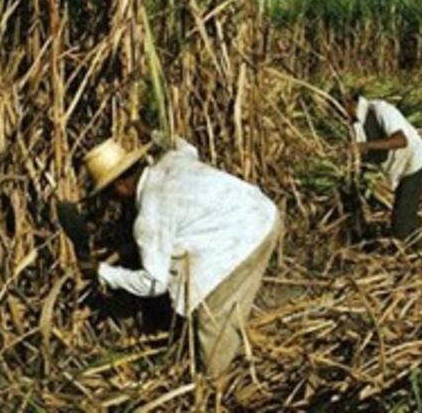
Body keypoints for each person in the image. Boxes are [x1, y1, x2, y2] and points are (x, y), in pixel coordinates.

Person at [70, 135, 280, 376]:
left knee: (213, 323)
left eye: (109, 194)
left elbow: (154, 283)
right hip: (264, 213)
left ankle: (219, 385)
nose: (111, 201)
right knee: (230, 310)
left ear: (120, 186)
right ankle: (239, 358)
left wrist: (102, 272)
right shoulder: (171, 160)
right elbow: (185, 146)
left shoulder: (149, 218)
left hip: (242, 243)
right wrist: (155, 135)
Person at [338, 90, 422, 245]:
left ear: (348, 101)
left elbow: (401, 141)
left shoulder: (380, 110)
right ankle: (419, 244)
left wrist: (364, 146)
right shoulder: (355, 126)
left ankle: (419, 251)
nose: (340, 115)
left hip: (414, 163)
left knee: (400, 225)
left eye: (340, 108)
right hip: (400, 172)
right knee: (404, 218)